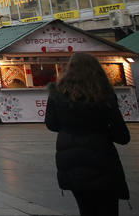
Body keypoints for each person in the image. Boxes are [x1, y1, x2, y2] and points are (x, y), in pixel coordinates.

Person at [44, 52, 130, 215]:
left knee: (85, 208)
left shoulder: (57, 93)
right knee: (108, 209)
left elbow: (51, 124)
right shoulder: (104, 94)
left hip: (70, 160)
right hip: (101, 159)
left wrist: (70, 128)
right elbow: (123, 136)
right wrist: (101, 132)